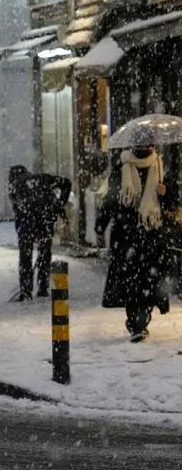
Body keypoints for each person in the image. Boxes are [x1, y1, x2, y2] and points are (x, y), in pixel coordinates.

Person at [96, 146, 171, 342]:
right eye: (141, 144)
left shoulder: (159, 165)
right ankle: (136, 322)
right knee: (132, 281)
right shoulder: (122, 165)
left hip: (151, 232)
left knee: (149, 280)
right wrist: (100, 225)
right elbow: (111, 199)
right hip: (126, 235)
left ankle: (142, 320)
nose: (145, 147)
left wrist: (165, 194)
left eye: (148, 144)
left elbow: (171, 202)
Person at [8, 165, 72, 301]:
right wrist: (60, 204)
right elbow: (66, 183)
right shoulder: (42, 178)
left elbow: (17, 211)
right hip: (45, 218)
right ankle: (43, 287)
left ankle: (26, 291)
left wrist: (25, 232)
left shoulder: (14, 185)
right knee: (44, 253)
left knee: (25, 255)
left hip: (28, 220)